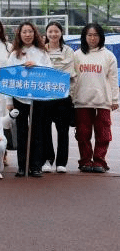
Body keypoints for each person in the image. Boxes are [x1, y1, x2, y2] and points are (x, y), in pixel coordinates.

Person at [5, 22, 52, 177]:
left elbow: (50, 71)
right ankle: (22, 166)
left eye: (30, 31)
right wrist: (9, 102)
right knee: (21, 132)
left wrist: (36, 66)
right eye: (24, 32)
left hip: (38, 98)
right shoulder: (14, 54)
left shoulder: (42, 52)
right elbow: (8, 78)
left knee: (37, 132)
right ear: (19, 34)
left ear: (35, 33)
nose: (27, 35)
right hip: (20, 98)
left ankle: (36, 166)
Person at [72, 23, 119, 173]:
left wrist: (115, 100)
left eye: (96, 35)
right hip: (82, 101)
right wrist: (71, 97)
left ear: (101, 37)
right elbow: (72, 79)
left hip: (103, 101)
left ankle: (99, 161)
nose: (92, 38)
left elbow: (113, 79)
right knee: (83, 134)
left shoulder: (108, 56)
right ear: (84, 37)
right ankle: (85, 161)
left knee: (103, 134)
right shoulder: (77, 55)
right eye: (89, 35)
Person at [42, 21, 75, 173]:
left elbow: (67, 72)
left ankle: (61, 162)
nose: (53, 34)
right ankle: (47, 160)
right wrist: (54, 71)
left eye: (56, 31)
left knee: (63, 130)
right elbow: (40, 71)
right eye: (50, 31)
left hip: (63, 96)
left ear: (61, 33)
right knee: (45, 130)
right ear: (46, 33)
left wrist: (49, 71)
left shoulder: (68, 51)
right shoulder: (41, 49)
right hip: (44, 96)